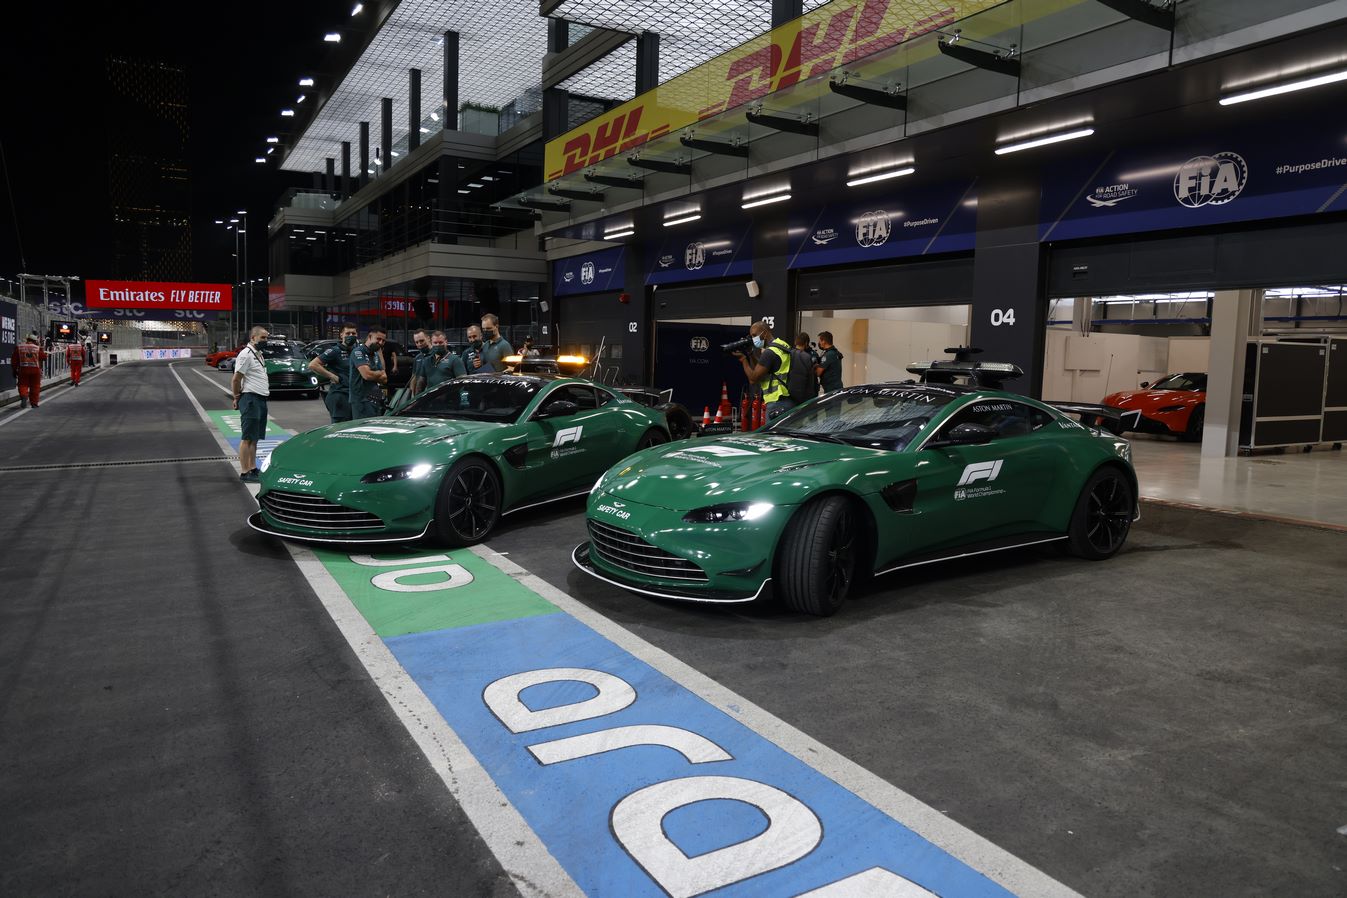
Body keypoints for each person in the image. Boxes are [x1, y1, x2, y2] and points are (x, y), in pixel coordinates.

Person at [230, 326, 271, 482]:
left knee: (255, 438)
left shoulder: (258, 354)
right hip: (250, 399)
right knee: (247, 437)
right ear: (253, 338)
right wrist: (236, 397)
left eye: (266, 338)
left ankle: (253, 468)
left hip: (260, 399)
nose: (265, 341)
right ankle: (244, 471)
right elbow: (236, 379)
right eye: (263, 338)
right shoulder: (246, 355)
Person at [734, 320, 794, 421]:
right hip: (788, 400)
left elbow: (753, 379)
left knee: (771, 436)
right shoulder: (781, 345)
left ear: (765, 333)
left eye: (754, 335)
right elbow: (763, 368)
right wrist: (751, 354)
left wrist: (743, 359)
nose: (753, 339)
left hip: (776, 402)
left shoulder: (769, 352)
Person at [309, 322, 358, 423]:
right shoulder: (335, 351)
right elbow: (313, 364)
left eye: (353, 333)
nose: (351, 336)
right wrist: (331, 376)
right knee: (339, 429)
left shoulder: (357, 352)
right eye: (348, 333)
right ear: (341, 335)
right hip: (340, 395)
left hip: (354, 396)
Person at [349, 326, 388, 419]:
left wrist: (374, 373)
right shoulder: (358, 352)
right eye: (378, 339)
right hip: (361, 400)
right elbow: (366, 375)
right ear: (369, 337)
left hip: (375, 398)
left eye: (383, 341)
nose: (381, 343)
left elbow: (385, 378)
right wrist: (378, 373)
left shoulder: (375, 354)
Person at [12, 332, 47, 409]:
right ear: (35, 341)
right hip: (35, 370)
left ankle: (24, 396)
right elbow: (44, 357)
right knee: (35, 386)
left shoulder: (19, 347)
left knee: (22, 385)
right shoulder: (37, 348)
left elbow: (14, 360)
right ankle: (34, 403)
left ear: (27, 339)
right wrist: (41, 348)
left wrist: (14, 370)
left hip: (23, 369)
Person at [787, 332, 820, 405]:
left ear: (796, 342)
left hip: (790, 393)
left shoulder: (788, 354)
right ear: (806, 343)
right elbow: (811, 378)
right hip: (806, 394)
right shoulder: (808, 356)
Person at [407, 328, 433, 395]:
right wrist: (412, 395)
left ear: (428, 338)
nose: (419, 344)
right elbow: (414, 377)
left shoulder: (436, 355)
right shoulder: (417, 358)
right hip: (419, 395)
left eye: (422, 341)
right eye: (417, 342)